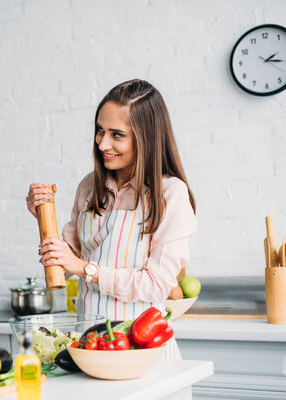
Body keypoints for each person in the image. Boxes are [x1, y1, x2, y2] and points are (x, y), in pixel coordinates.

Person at [26, 79, 196, 359]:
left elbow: (156, 284)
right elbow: (66, 266)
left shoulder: (171, 194)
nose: (103, 143)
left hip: (144, 352)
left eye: (117, 135)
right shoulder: (88, 188)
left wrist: (86, 269)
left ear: (147, 138)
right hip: (90, 347)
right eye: (100, 131)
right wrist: (42, 218)